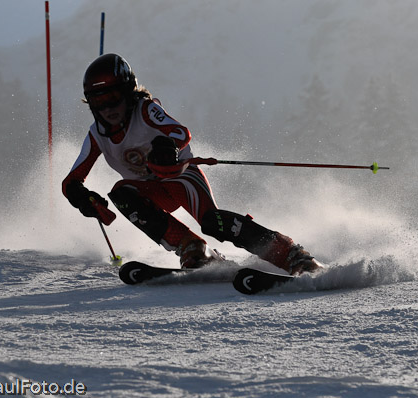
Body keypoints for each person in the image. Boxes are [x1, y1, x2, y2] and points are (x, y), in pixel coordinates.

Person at [62, 53, 321, 274]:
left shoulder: (145, 110)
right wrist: (81, 197)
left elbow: (180, 132)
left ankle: (290, 255)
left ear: (128, 92)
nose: (108, 108)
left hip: (182, 180)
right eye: (98, 101)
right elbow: (72, 181)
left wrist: (167, 147)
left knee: (212, 221)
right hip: (152, 193)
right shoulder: (97, 134)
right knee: (121, 193)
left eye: (113, 97)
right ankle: (191, 247)